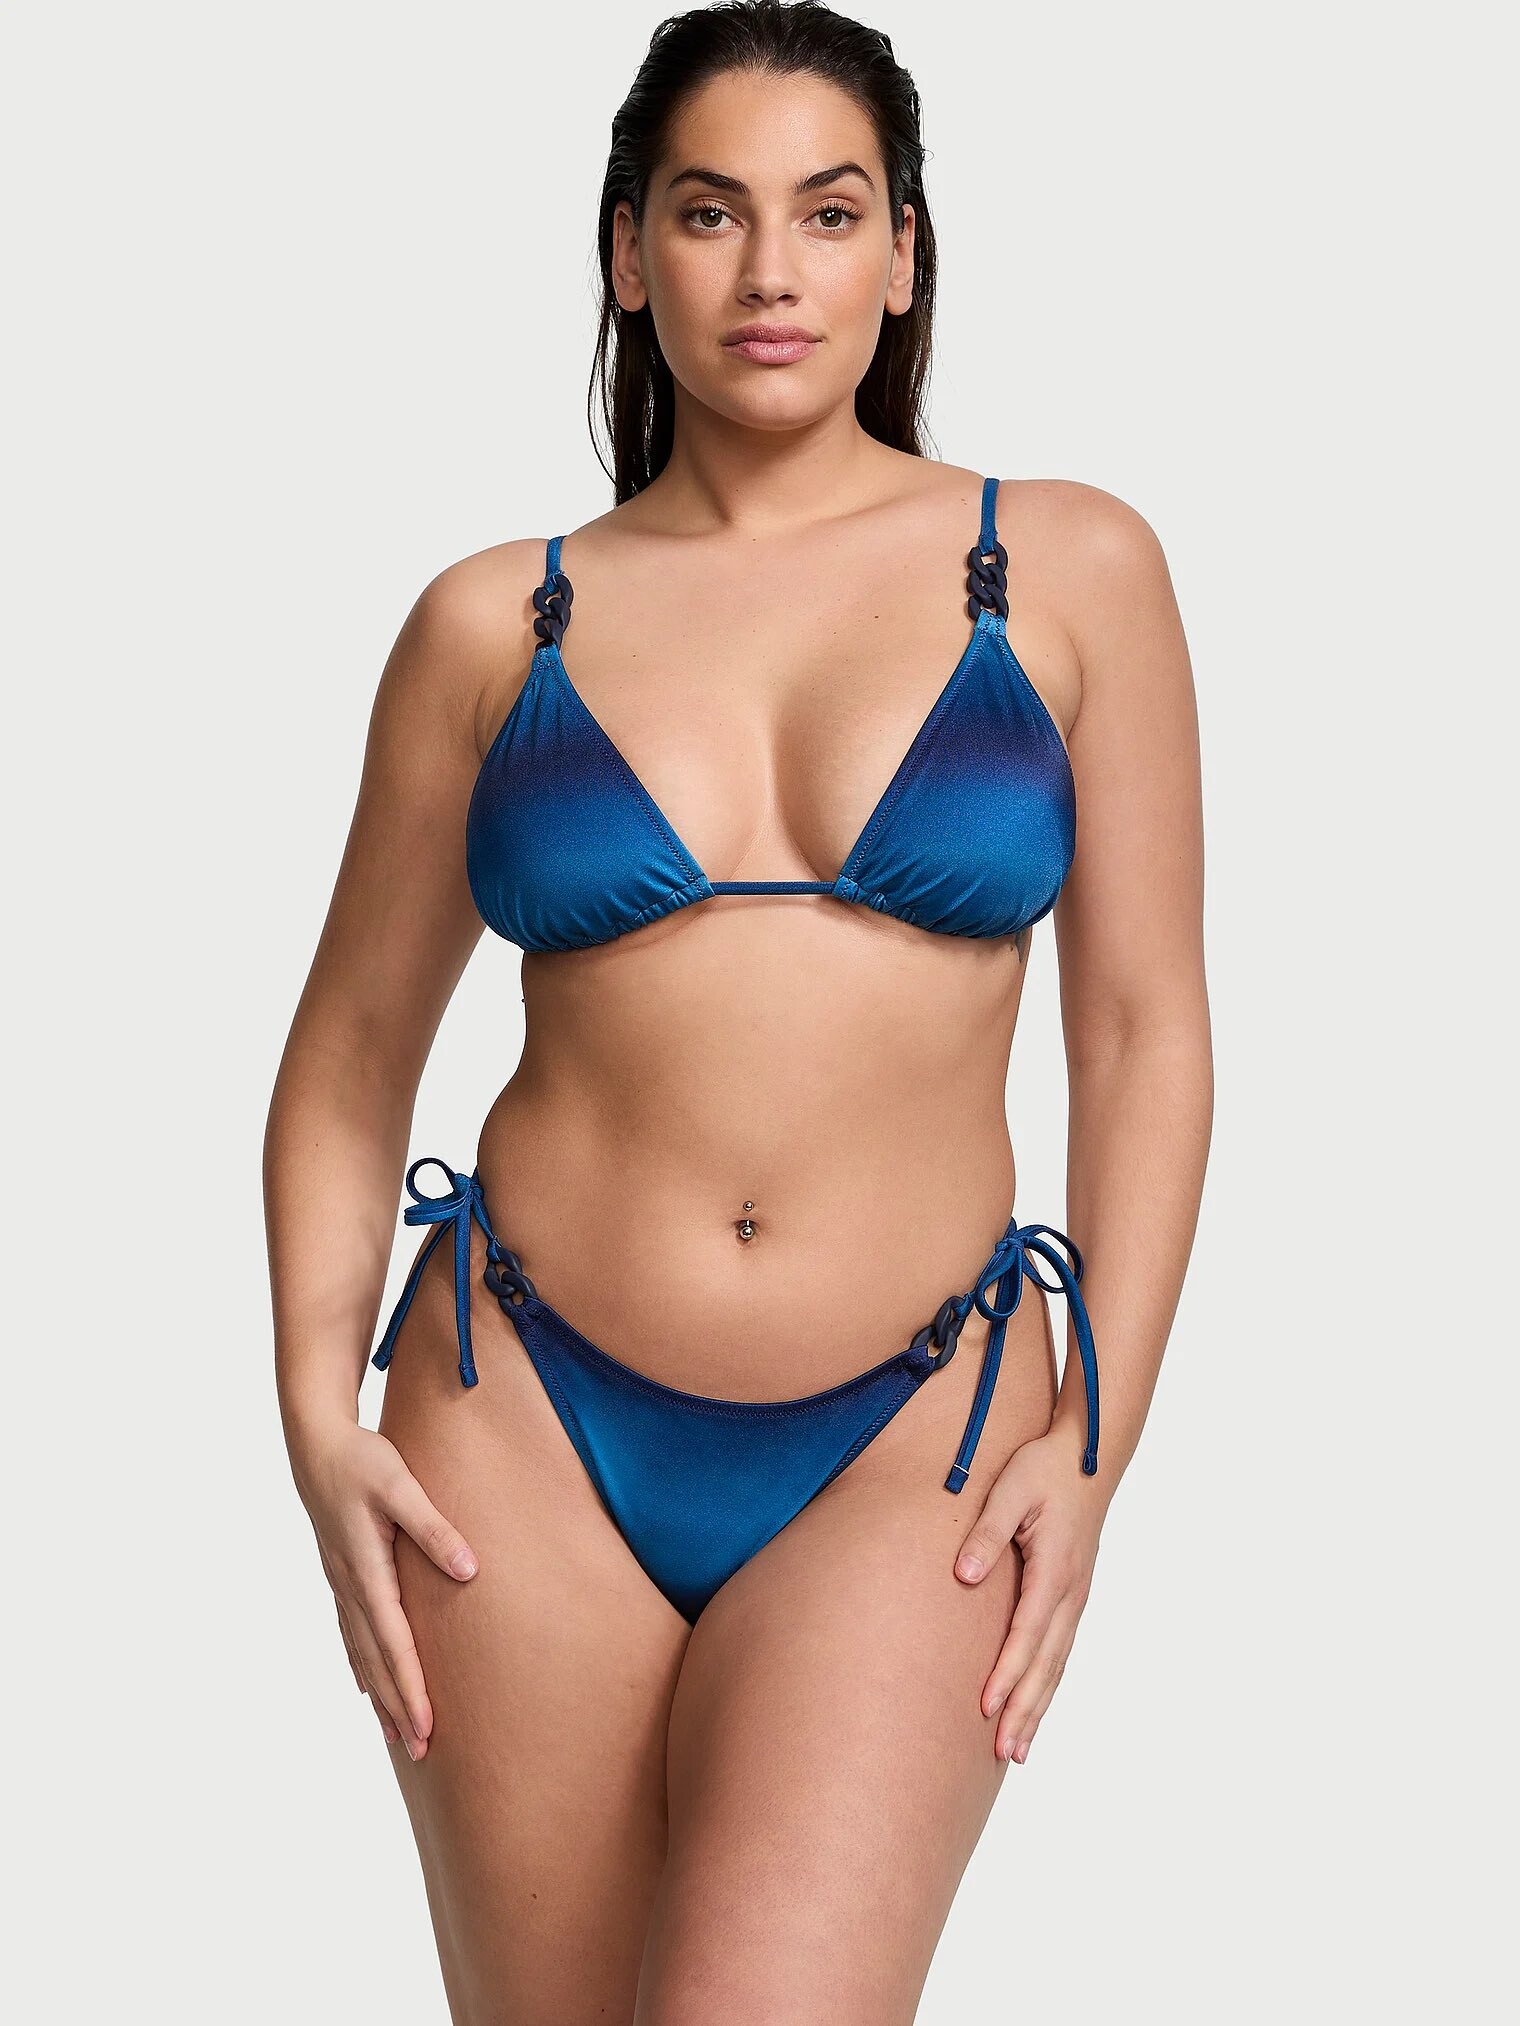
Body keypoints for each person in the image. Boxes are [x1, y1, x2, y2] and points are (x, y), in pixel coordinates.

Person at [265, 2, 1212, 2017]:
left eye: (828, 212)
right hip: (516, 1420)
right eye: (708, 213)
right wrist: (311, 1417)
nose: (770, 270)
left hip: (918, 1431)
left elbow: (1143, 1031)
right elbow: (346, 1059)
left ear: (903, 253)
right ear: (628, 254)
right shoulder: (487, 619)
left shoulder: (1068, 566)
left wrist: (1102, 1437)